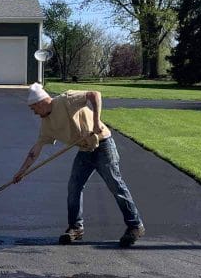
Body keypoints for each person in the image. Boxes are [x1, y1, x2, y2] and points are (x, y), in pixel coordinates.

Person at [13, 82, 145, 247]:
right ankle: (75, 228)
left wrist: (96, 122)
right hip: (85, 150)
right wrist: (22, 171)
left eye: (34, 108)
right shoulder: (47, 124)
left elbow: (94, 94)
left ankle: (135, 226)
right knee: (74, 187)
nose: (34, 112)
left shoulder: (66, 99)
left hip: (103, 144)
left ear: (41, 102)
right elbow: (36, 149)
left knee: (115, 185)